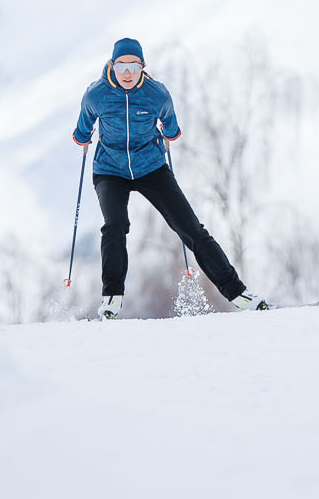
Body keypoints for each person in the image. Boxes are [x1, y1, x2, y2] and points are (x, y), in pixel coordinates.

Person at [70, 38, 267, 319]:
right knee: (115, 225)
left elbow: (172, 127)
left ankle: (238, 293)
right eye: (122, 66)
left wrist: (169, 133)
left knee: (191, 229)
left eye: (134, 66)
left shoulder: (156, 94)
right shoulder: (96, 94)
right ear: (113, 66)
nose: (127, 73)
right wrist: (83, 137)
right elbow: (83, 127)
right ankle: (112, 298)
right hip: (110, 170)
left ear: (142, 68)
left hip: (151, 167)